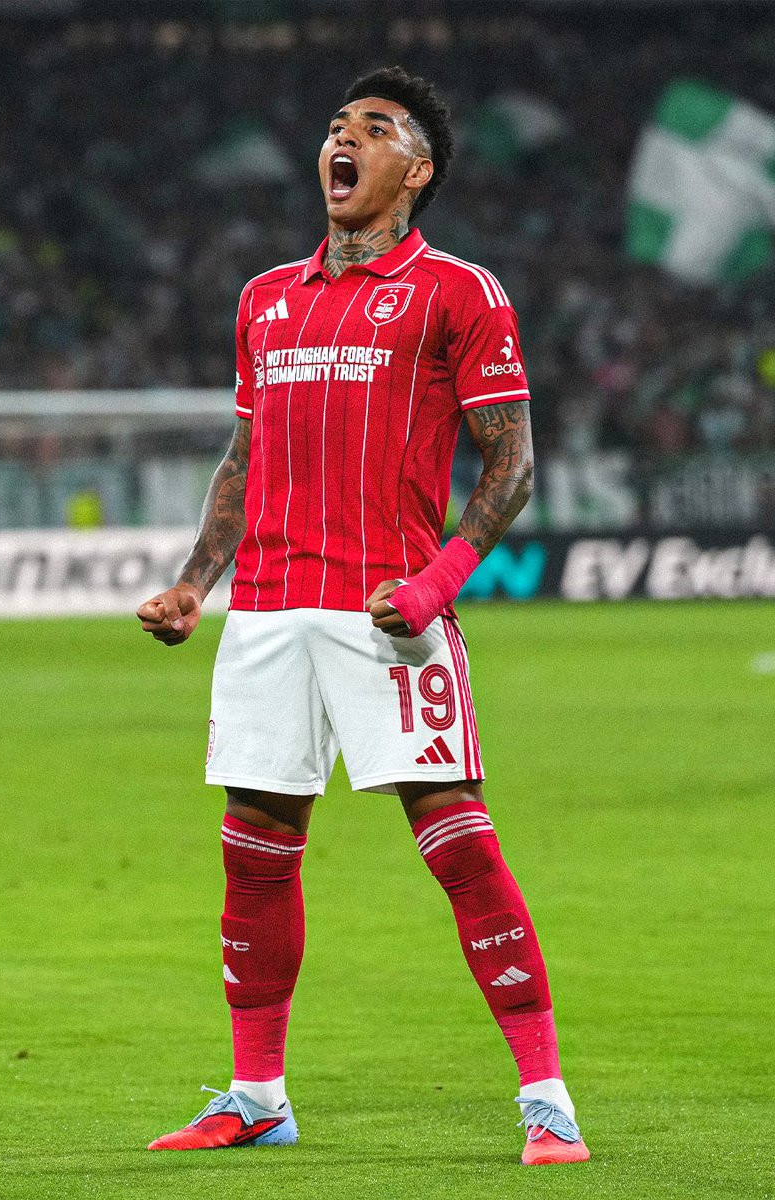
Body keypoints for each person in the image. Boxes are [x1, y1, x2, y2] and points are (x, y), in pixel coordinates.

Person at [136, 66, 589, 1167]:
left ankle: (546, 1099)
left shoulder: (458, 292)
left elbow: (513, 466)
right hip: (266, 615)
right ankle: (257, 1096)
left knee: (460, 846)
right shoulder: (265, 297)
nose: (343, 140)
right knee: (255, 855)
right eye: (337, 125)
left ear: (416, 171)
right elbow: (244, 456)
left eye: (374, 129)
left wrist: (437, 583)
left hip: (386, 612)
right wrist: (196, 581)